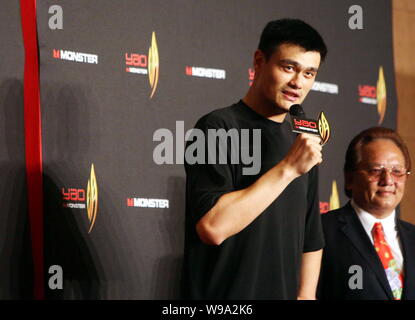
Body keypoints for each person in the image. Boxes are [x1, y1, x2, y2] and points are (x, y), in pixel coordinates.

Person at [181, 18, 328, 300]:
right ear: (259, 61)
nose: (298, 82)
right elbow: (213, 227)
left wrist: (306, 295)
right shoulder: (217, 127)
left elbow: (311, 235)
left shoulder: (303, 135)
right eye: (289, 68)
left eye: (309, 73)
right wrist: (287, 169)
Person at [318, 127, 415, 300]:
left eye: (397, 171)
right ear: (349, 179)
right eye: (376, 170)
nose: (388, 180)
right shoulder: (321, 232)